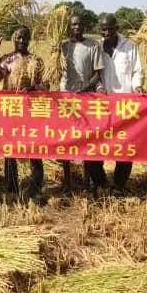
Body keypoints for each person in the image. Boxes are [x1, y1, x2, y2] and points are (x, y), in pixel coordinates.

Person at [0, 26, 47, 199]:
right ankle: (12, 186)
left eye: (25, 38)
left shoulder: (36, 60)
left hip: (31, 111)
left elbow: (45, 85)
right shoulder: (8, 59)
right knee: (11, 148)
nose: (22, 41)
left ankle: (35, 186)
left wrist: (34, 88)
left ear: (29, 40)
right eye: (19, 37)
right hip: (11, 109)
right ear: (13, 38)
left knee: (34, 147)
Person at [97, 14, 145, 196]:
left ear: (117, 28)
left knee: (125, 146)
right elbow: (94, 74)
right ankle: (100, 182)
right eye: (103, 29)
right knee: (97, 144)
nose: (107, 32)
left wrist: (138, 86)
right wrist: (99, 88)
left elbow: (137, 71)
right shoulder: (97, 47)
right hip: (101, 106)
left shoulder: (130, 47)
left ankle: (119, 185)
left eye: (110, 28)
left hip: (125, 105)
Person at [59, 13, 106, 195]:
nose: (76, 27)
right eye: (73, 25)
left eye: (79, 24)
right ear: (69, 27)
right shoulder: (62, 47)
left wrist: (85, 87)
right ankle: (67, 182)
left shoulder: (93, 45)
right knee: (66, 142)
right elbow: (55, 72)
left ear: (84, 26)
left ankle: (87, 183)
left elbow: (97, 73)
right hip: (66, 100)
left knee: (87, 143)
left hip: (86, 100)